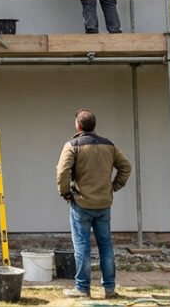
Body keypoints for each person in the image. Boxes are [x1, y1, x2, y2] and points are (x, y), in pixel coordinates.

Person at [56, 108, 132, 300]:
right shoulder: (110, 145)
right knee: (106, 245)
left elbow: (63, 172)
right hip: (104, 204)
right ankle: (109, 289)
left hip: (81, 203)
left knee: (82, 246)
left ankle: (82, 288)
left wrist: (65, 192)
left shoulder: (72, 145)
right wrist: (114, 187)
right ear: (93, 125)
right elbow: (126, 167)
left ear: (78, 125)